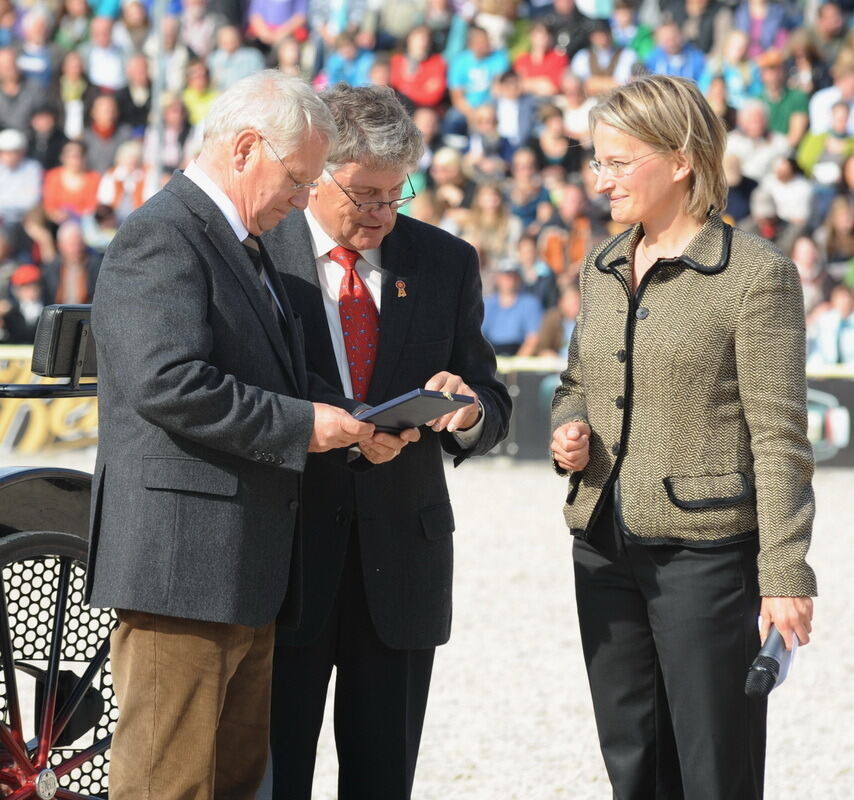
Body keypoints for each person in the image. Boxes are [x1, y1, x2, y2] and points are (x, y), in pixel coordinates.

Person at [86, 71, 375, 800]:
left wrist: (355, 420)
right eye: (299, 179)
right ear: (247, 148)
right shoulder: (162, 234)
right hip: (180, 573)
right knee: (167, 783)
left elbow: (269, 375)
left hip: (243, 570)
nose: (304, 199)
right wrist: (306, 426)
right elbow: (168, 383)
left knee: (234, 782)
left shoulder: (238, 242)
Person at [550, 74, 816, 799]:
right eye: (595, 161)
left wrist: (786, 574)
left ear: (679, 160)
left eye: (616, 161)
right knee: (633, 764)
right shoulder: (602, 264)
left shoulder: (756, 277)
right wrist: (568, 430)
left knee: (713, 772)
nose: (600, 180)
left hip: (706, 561)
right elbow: (577, 381)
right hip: (602, 547)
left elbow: (781, 436)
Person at [262, 83, 511, 800]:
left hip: (402, 563)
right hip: (287, 562)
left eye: (394, 197)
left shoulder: (444, 262)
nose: (379, 216)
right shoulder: (260, 253)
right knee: (273, 774)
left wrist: (464, 415)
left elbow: (490, 396)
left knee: (383, 781)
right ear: (318, 174)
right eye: (364, 195)